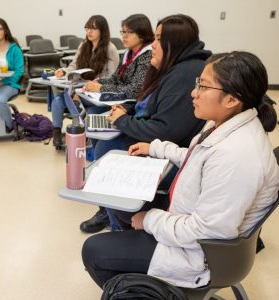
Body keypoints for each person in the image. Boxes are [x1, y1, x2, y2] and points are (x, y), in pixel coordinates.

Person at [81, 50, 279, 289]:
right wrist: (155, 147)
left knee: (93, 251)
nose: (193, 93)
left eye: (204, 87)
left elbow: (207, 232)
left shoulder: (237, 156)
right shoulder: (228, 122)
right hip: (189, 216)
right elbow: (200, 158)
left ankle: (147, 290)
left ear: (231, 99)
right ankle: (136, 270)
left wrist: (150, 219)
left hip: (200, 256)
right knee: (122, 204)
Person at [80, 14, 211, 233]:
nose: (154, 45)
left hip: (172, 153)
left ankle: (117, 225)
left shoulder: (183, 74)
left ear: (174, 43)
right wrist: (127, 111)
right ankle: (111, 216)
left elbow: (166, 129)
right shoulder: (171, 67)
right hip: (161, 140)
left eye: (159, 39)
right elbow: (146, 100)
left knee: (106, 149)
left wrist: (123, 120)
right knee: (101, 135)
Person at [51, 15, 119, 147]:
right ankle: (57, 134)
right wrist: (64, 71)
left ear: (102, 30)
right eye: (87, 28)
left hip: (97, 93)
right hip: (81, 89)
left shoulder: (110, 49)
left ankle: (78, 125)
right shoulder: (83, 45)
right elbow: (74, 64)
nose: (89, 32)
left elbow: (113, 77)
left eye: (93, 29)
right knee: (56, 102)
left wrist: (96, 83)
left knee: (65, 96)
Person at [81, 13, 154, 112]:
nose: (124, 36)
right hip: (119, 99)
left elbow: (134, 90)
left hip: (134, 105)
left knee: (91, 110)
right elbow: (115, 78)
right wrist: (98, 82)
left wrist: (101, 88)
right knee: (73, 98)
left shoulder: (147, 55)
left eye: (129, 32)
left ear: (142, 34)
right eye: (123, 32)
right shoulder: (128, 53)